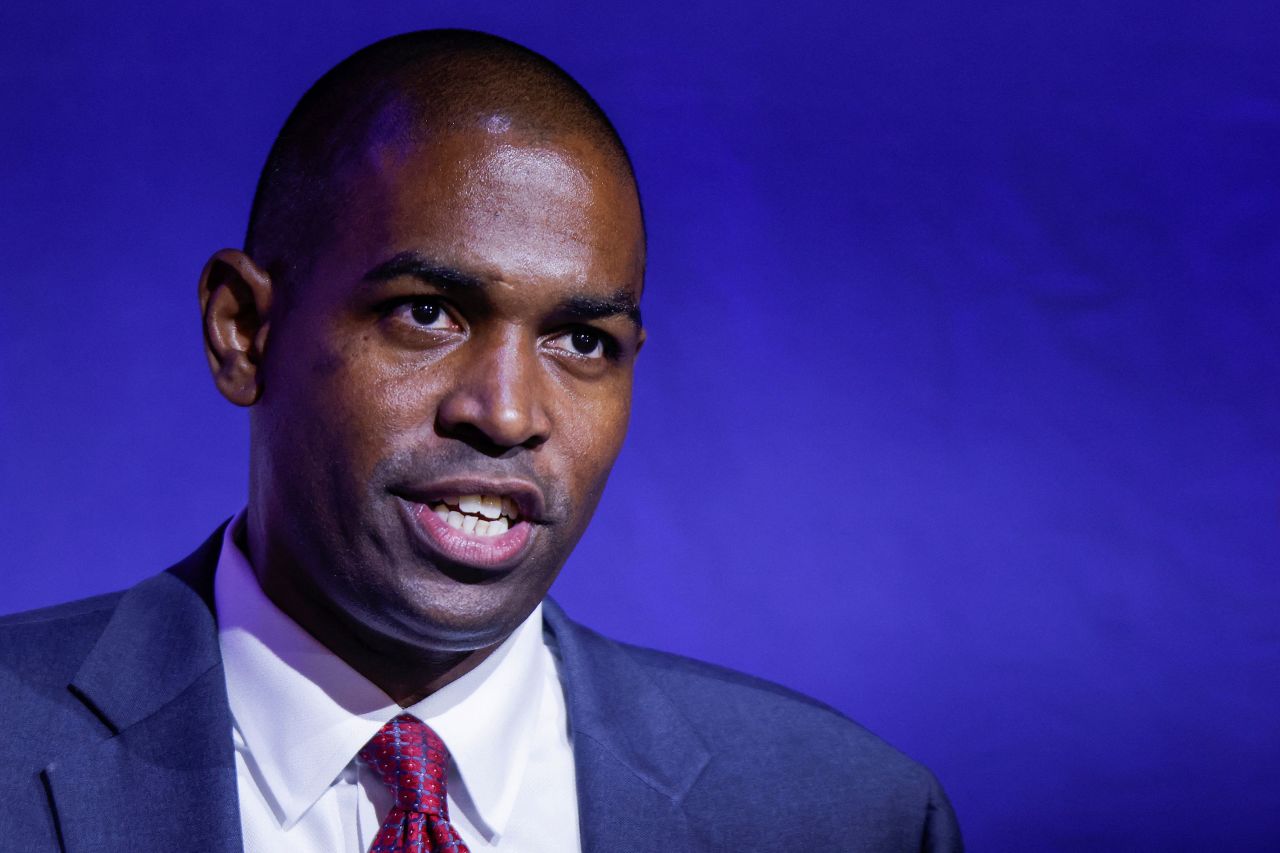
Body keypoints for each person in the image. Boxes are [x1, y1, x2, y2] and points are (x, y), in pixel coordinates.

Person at [0, 29, 961, 853]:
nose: (506, 414)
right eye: (428, 312)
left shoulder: (846, 816)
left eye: (582, 341)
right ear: (244, 331)